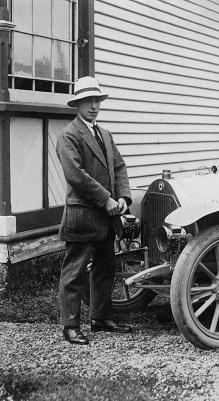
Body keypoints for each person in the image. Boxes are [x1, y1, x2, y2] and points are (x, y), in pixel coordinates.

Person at [57, 76, 132, 345]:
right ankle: (70, 325)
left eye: (97, 100)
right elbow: (75, 175)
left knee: (105, 267)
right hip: (83, 215)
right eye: (88, 101)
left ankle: (100, 318)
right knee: (74, 271)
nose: (93, 106)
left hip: (107, 216)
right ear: (77, 104)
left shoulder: (105, 134)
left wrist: (123, 197)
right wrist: (106, 199)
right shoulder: (69, 135)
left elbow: (120, 167)